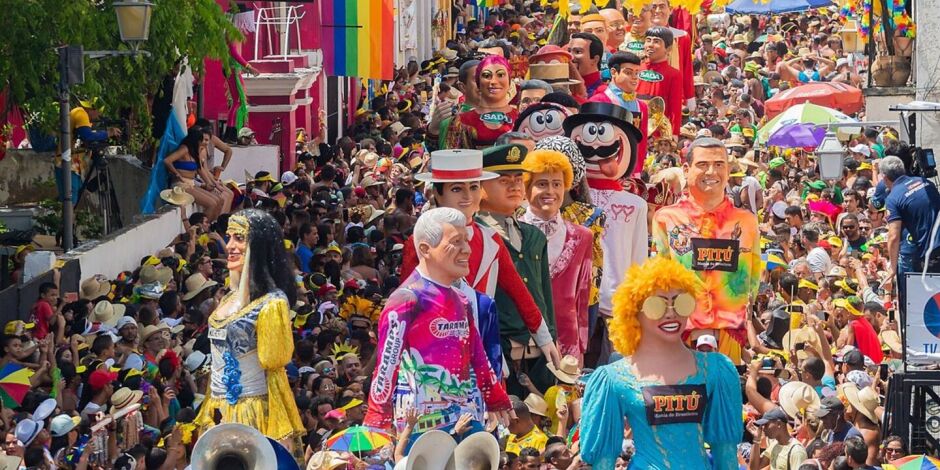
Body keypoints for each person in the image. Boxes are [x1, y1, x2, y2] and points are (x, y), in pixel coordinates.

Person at [363, 208, 512, 447]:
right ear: (425, 249)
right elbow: (386, 366)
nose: (467, 250)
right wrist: (377, 421)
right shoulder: (406, 300)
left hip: (464, 416)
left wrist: (495, 398)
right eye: (456, 242)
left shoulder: (462, 300)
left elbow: (477, 354)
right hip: (418, 427)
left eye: (467, 240)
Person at [581, 257, 742, 468]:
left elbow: (725, 451)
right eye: (656, 306)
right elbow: (604, 459)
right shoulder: (613, 379)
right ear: (634, 313)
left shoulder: (716, 370)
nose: (670, 313)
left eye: (680, 303)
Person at [194, 209, 305, 456]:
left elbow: (273, 364)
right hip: (218, 408)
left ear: (259, 246)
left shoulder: (272, 303)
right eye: (229, 237)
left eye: (239, 238)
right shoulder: (228, 298)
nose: (230, 246)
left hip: (252, 411)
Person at [652, 138, 760, 362]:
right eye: (703, 164)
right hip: (680, 332)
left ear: (728, 171)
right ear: (686, 169)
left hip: (730, 335)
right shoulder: (666, 219)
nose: (712, 172)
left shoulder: (746, 221)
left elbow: (753, 279)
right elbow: (659, 278)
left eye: (719, 164)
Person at [477, 144, 560, 392]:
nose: (514, 186)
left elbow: (545, 294)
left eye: (518, 179)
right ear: (481, 187)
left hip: (539, 350)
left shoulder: (533, 235)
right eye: (503, 180)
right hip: (500, 347)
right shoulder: (477, 235)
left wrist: (552, 337)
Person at [520, 150, 593, 363]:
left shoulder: (583, 236)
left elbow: (582, 298)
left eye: (557, 184)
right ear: (526, 187)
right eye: (542, 183)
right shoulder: (511, 234)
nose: (550, 191)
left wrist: (581, 347)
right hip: (524, 344)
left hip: (567, 346)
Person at [880, 156, 940, 282]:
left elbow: (893, 236)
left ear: (885, 177)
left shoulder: (893, 198)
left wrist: (892, 268)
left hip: (931, 253)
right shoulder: (926, 182)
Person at [591, 52, 650, 173]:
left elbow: (642, 144)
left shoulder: (642, 106)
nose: (634, 77)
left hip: (632, 172)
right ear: (614, 72)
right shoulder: (599, 100)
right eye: (628, 72)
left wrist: (637, 171)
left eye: (636, 73)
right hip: (604, 171)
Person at [163, 127, 227, 221]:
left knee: (219, 200)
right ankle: (201, 229)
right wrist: (177, 174)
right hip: (181, 185)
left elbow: (201, 170)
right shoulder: (184, 149)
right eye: (202, 141)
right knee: (212, 204)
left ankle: (212, 226)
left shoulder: (194, 152)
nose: (204, 143)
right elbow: (167, 161)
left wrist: (212, 184)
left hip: (191, 184)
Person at [636, 27, 682, 135]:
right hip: (635, 126)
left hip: (658, 132)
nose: (650, 45)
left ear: (669, 48)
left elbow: (675, 107)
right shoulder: (636, 68)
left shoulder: (674, 74)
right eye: (648, 40)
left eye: (656, 41)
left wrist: (674, 134)